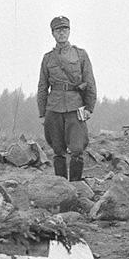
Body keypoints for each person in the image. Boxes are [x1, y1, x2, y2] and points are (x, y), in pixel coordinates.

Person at [36, 16, 97, 182]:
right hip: (54, 107)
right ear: (53, 34)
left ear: (69, 31)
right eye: (58, 30)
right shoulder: (48, 58)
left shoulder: (80, 54)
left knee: (77, 148)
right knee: (58, 149)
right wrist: (42, 113)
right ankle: (61, 187)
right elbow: (42, 86)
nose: (61, 33)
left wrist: (89, 108)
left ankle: (76, 186)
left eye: (64, 30)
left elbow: (89, 81)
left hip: (75, 106)